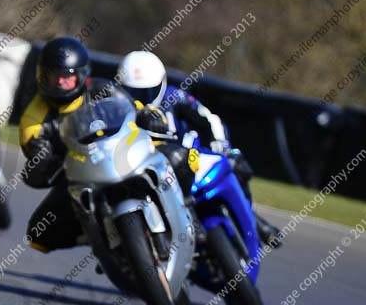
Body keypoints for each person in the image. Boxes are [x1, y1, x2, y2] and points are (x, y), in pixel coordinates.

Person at [18, 36, 180, 253]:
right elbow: (39, 158)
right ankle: (96, 237)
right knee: (38, 233)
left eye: (67, 76)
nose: (59, 82)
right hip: (78, 177)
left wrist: (151, 118)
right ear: (41, 76)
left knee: (181, 157)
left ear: (81, 75)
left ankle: (184, 207)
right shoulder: (33, 119)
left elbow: (137, 109)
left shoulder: (103, 89)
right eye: (53, 76)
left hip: (122, 155)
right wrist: (44, 167)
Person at [116, 50, 281, 247]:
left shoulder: (175, 97)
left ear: (160, 84)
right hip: (146, 167)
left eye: (148, 91)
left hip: (188, 156)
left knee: (236, 163)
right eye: (134, 91)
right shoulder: (117, 106)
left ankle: (254, 221)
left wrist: (220, 143)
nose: (142, 98)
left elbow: (209, 119)